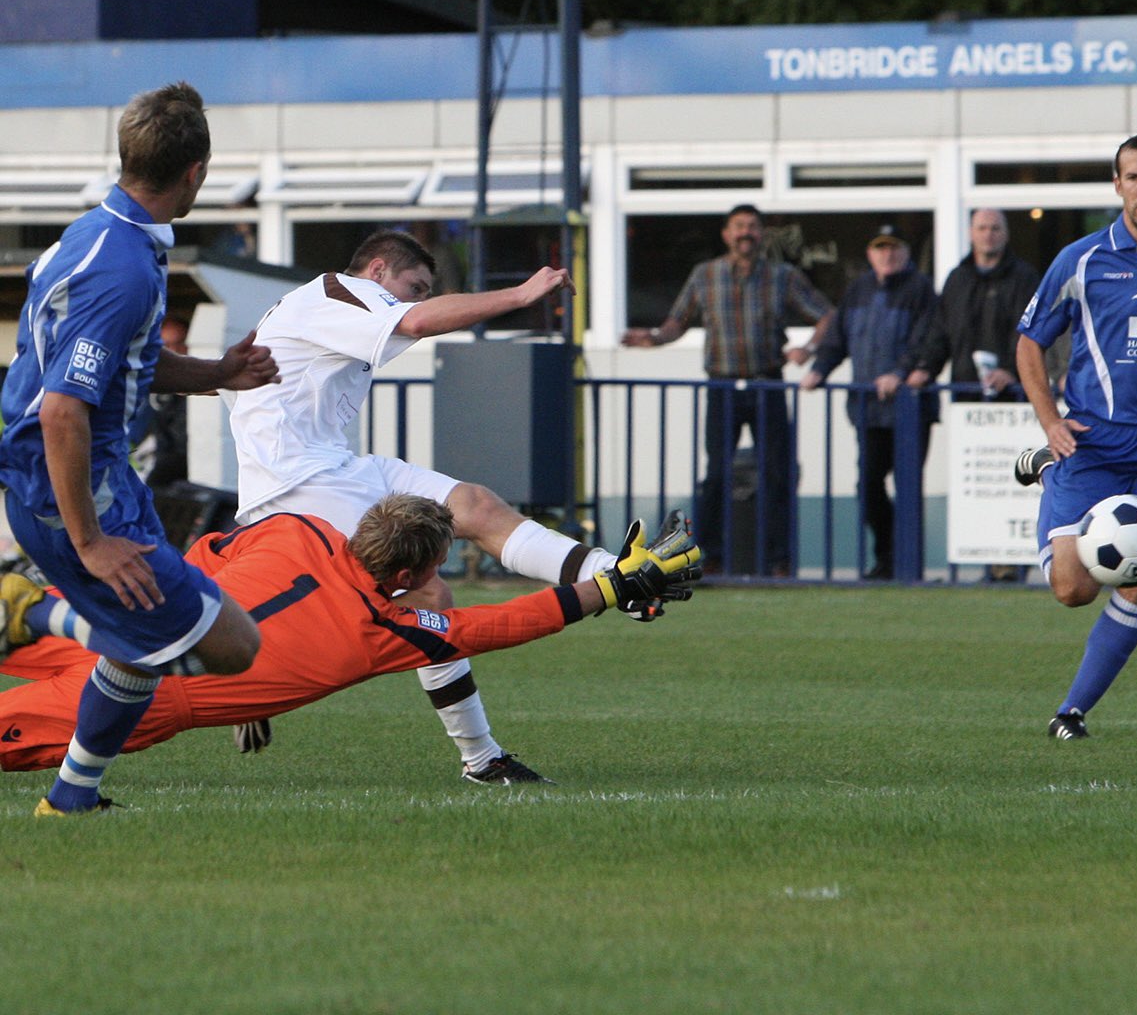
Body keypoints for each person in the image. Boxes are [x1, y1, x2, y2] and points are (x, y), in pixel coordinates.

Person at [225, 229, 634, 785]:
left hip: (338, 469)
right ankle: (482, 758)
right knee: (429, 594)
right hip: (295, 488)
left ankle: (624, 575)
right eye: (412, 286)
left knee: (475, 505)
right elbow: (417, 322)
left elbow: (237, 372)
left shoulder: (313, 306)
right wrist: (519, 295)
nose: (416, 301)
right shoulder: (343, 291)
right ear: (375, 270)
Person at [0, 81, 280, 816]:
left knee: (140, 640)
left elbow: (123, 363)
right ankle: (28, 614)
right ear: (196, 173)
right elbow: (63, 410)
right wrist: (91, 544)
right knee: (235, 648)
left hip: (89, 480)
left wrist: (217, 373)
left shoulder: (98, 234)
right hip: (74, 493)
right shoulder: (121, 269)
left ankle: (72, 798)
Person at [0, 495, 701, 773]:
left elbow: (200, 562)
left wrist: (252, 677)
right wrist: (614, 584)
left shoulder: (293, 527)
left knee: (16, 608)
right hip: (156, 690)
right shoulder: (384, 628)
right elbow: (498, 624)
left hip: (122, 610)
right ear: (406, 572)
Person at [1014, 132, 1137, 739]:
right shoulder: (1081, 259)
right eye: (1134, 178)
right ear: (1117, 185)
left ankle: (1072, 711)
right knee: (1073, 590)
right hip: (1091, 441)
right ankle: (1046, 467)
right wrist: (1049, 421)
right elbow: (1029, 343)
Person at [622, 204, 834, 576]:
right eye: (738, 227)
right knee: (717, 475)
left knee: (776, 474)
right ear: (726, 233)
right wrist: (652, 339)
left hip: (767, 383)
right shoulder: (705, 275)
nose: (745, 233)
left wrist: (809, 348)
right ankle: (710, 557)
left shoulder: (782, 275)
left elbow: (828, 316)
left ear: (762, 233)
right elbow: (678, 322)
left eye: (752, 227)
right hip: (721, 385)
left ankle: (779, 560)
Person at [905, 208, 1041, 580]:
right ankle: (990, 563)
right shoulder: (957, 279)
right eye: (982, 228)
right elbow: (941, 334)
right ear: (970, 233)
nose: (988, 234)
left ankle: (1013, 563)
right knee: (978, 484)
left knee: (1013, 481)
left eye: (996, 228)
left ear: (1006, 234)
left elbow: (1034, 335)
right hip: (967, 405)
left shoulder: (1026, 278)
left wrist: (1012, 373)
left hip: (1014, 403)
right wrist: (923, 370)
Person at [801, 225, 937, 580]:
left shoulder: (920, 289)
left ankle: (908, 565)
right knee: (869, 485)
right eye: (880, 249)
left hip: (909, 411)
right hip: (868, 410)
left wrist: (900, 373)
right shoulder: (858, 289)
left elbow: (928, 340)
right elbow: (837, 339)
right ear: (870, 254)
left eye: (893, 248)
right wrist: (819, 371)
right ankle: (888, 558)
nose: (887, 255)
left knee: (907, 487)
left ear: (905, 252)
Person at [133, 315, 191, 494]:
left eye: (179, 344)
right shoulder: (138, 392)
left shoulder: (194, 398)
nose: (172, 352)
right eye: (165, 347)